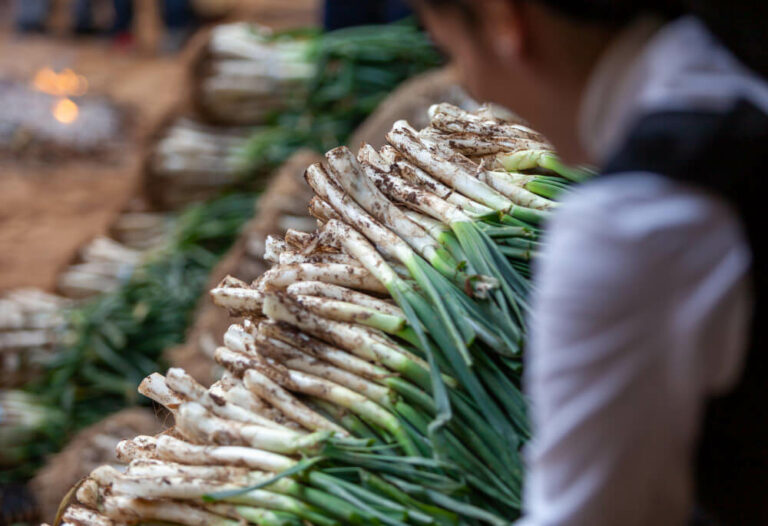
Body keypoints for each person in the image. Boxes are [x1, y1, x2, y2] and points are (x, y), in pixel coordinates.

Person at [409, 1, 768, 525]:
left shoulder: (635, 223)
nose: (472, 87)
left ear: (504, 21)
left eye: (453, 53)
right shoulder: (731, 63)